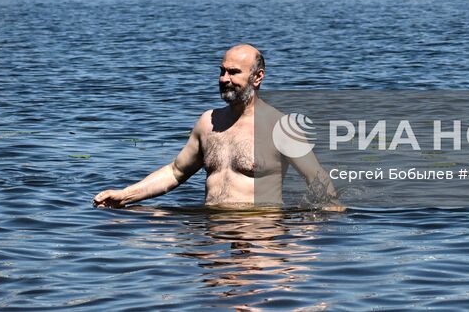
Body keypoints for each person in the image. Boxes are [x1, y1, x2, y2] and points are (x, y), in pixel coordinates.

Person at [93, 44, 338, 208]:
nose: (224, 79)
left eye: (233, 73)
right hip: (212, 235)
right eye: (221, 72)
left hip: (259, 236)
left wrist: (301, 248)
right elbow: (176, 172)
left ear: (258, 77)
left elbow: (319, 182)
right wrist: (125, 196)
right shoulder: (209, 122)